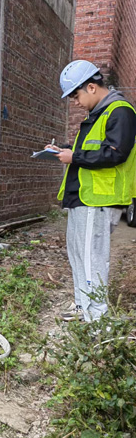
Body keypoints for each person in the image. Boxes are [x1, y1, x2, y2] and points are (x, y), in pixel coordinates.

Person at [50, 60, 136, 322]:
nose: (75, 102)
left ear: (91, 86)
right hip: (84, 197)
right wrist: (64, 150)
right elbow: (93, 150)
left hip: (98, 199)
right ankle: (82, 305)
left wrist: (73, 156)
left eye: (76, 96)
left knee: (92, 259)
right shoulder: (98, 114)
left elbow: (115, 153)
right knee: (78, 254)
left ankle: (97, 321)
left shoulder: (120, 111)